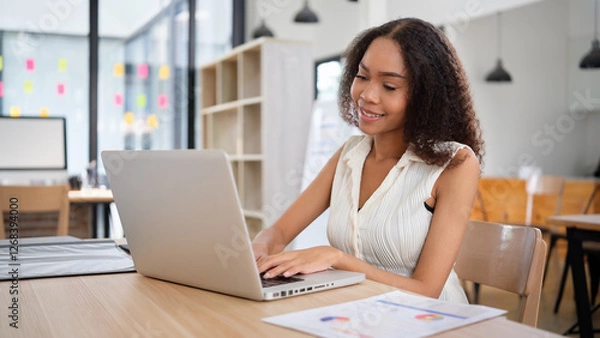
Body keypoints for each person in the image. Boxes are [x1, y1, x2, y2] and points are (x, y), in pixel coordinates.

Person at [252, 17, 484, 303]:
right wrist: (261, 245)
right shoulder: (350, 154)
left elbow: (426, 290)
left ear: (426, 97)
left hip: (430, 321)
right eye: (362, 77)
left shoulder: (455, 164)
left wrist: (336, 259)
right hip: (359, 316)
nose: (367, 95)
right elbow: (279, 232)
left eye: (389, 86)